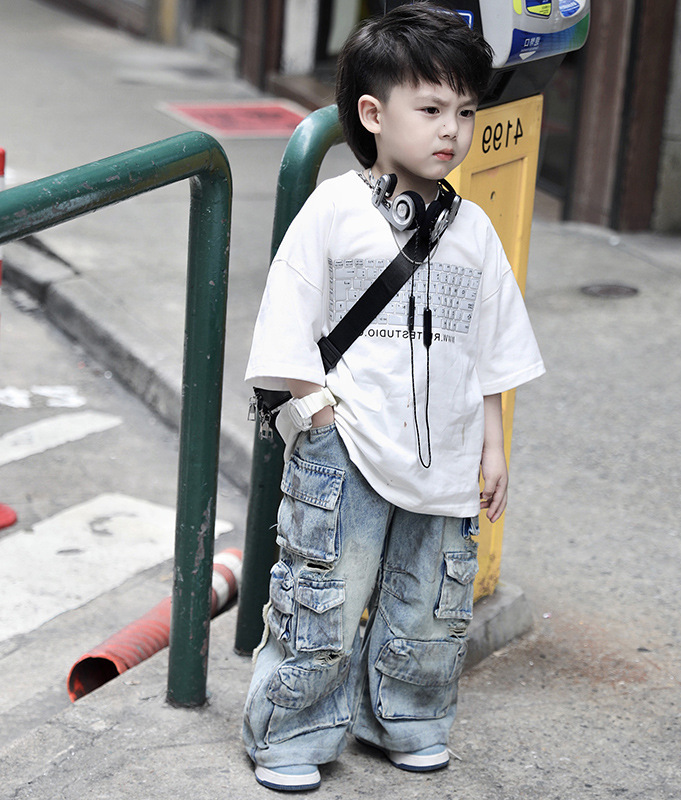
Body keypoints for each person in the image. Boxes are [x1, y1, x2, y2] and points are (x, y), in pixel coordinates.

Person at [242, 2, 545, 792]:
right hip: (346, 448)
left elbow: (492, 350)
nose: (453, 130)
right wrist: (320, 416)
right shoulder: (334, 211)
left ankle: (407, 720)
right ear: (374, 115)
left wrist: (493, 445)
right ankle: (291, 734)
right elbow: (288, 322)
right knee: (325, 597)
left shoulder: (474, 232)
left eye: (465, 112)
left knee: (432, 605)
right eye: (431, 109)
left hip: (445, 457)